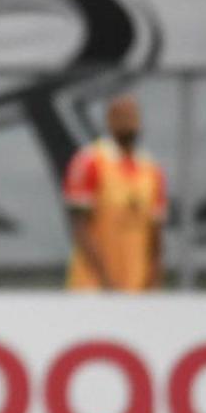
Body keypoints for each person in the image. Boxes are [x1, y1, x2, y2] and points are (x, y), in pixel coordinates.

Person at [63, 95, 167, 292]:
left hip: (135, 287)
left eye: (132, 115)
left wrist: (154, 280)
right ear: (109, 119)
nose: (128, 121)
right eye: (121, 115)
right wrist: (104, 278)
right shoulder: (91, 161)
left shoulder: (151, 169)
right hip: (94, 287)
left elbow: (156, 235)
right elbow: (79, 225)